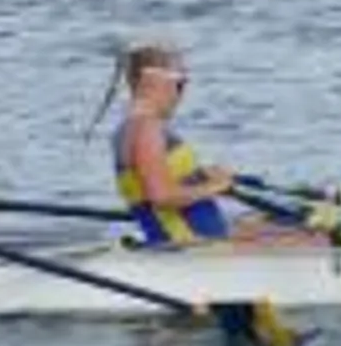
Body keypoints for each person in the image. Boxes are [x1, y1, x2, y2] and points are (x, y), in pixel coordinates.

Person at [99, 40, 240, 244]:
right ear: (153, 83)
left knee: (264, 223)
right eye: (180, 85)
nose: (180, 95)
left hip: (195, 238)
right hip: (187, 244)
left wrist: (200, 175)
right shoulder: (146, 130)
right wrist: (215, 187)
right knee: (292, 236)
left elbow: (160, 177)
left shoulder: (133, 127)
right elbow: (162, 196)